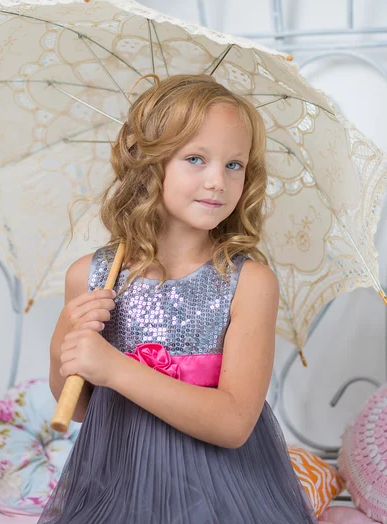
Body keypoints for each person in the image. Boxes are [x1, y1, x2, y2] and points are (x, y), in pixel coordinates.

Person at [38, 74, 317, 523]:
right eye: (195, 158)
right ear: (150, 166)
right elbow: (80, 407)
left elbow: (233, 425)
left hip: (222, 490)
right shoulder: (90, 277)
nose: (218, 181)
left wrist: (114, 366)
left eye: (234, 165)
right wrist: (65, 345)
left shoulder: (248, 283)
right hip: (118, 485)